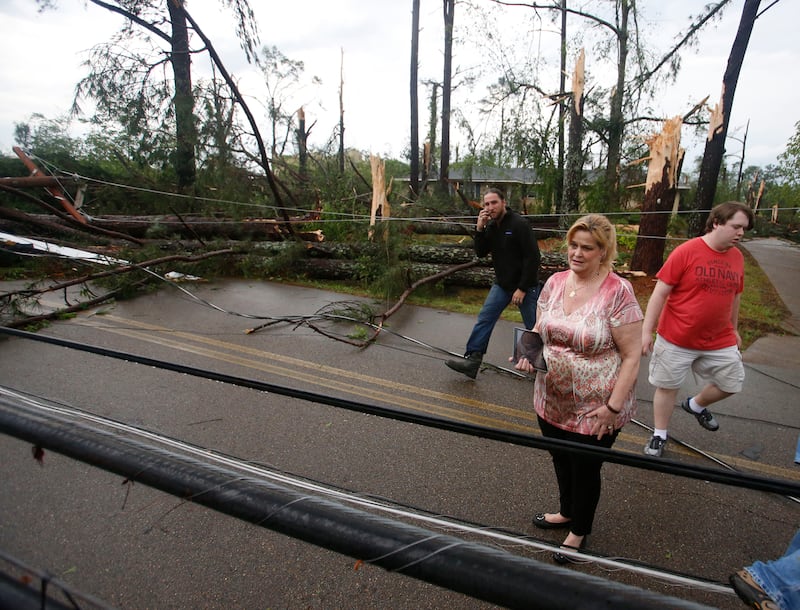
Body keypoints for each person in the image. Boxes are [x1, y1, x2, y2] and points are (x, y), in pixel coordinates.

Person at [515, 214, 642, 564]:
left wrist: (613, 409)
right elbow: (539, 327)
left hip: (597, 407)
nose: (578, 253)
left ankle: (579, 531)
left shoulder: (618, 292)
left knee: (585, 469)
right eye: (574, 245)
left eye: (588, 248)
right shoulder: (555, 282)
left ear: (604, 251)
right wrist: (528, 354)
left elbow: (632, 356)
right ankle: (567, 512)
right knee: (560, 459)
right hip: (550, 398)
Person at [642, 201, 755, 458]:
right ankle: (660, 434)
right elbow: (660, 293)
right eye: (736, 226)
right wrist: (646, 331)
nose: (741, 233)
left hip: (719, 338)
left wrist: (734, 329)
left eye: (744, 229)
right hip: (677, 337)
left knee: (732, 382)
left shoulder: (737, 257)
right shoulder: (687, 251)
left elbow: (735, 295)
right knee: (667, 386)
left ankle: (695, 404)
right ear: (717, 222)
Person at [446, 187, 541, 379]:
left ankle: (546, 366)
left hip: (526, 287)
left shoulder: (519, 224)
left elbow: (533, 258)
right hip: (502, 285)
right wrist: (479, 228)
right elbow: (481, 252)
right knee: (485, 318)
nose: (490, 207)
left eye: (494, 203)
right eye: (486, 204)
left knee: (535, 327)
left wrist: (522, 288)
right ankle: (473, 360)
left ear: (503, 202)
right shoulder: (491, 227)